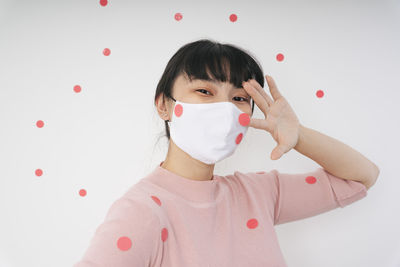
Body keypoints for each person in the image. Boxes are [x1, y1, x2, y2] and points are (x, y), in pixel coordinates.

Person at [73, 39, 375, 267]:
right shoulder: (141, 211)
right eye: (205, 91)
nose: (225, 108)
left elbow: (362, 177)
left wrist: (299, 137)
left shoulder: (258, 193)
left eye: (239, 97)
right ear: (164, 105)